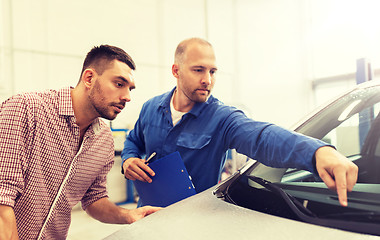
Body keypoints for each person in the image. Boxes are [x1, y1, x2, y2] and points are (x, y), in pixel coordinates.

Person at [121, 38, 358, 208]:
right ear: (176, 70)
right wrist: (128, 160)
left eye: (213, 71)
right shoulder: (151, 108)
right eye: (198, 70)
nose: (207, 80)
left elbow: (261, 137)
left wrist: (317, 152)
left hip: (191, 219)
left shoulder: (221, 118)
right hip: (146, 213)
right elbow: (133, 140)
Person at [0, 45, 161, 240]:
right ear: (89, 78)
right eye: (119, 84)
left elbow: (94, 199)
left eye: (130, 88)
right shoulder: (26, 110)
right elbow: (2, 198)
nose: (127, 97)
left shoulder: (103, 140)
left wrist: (128, 215)